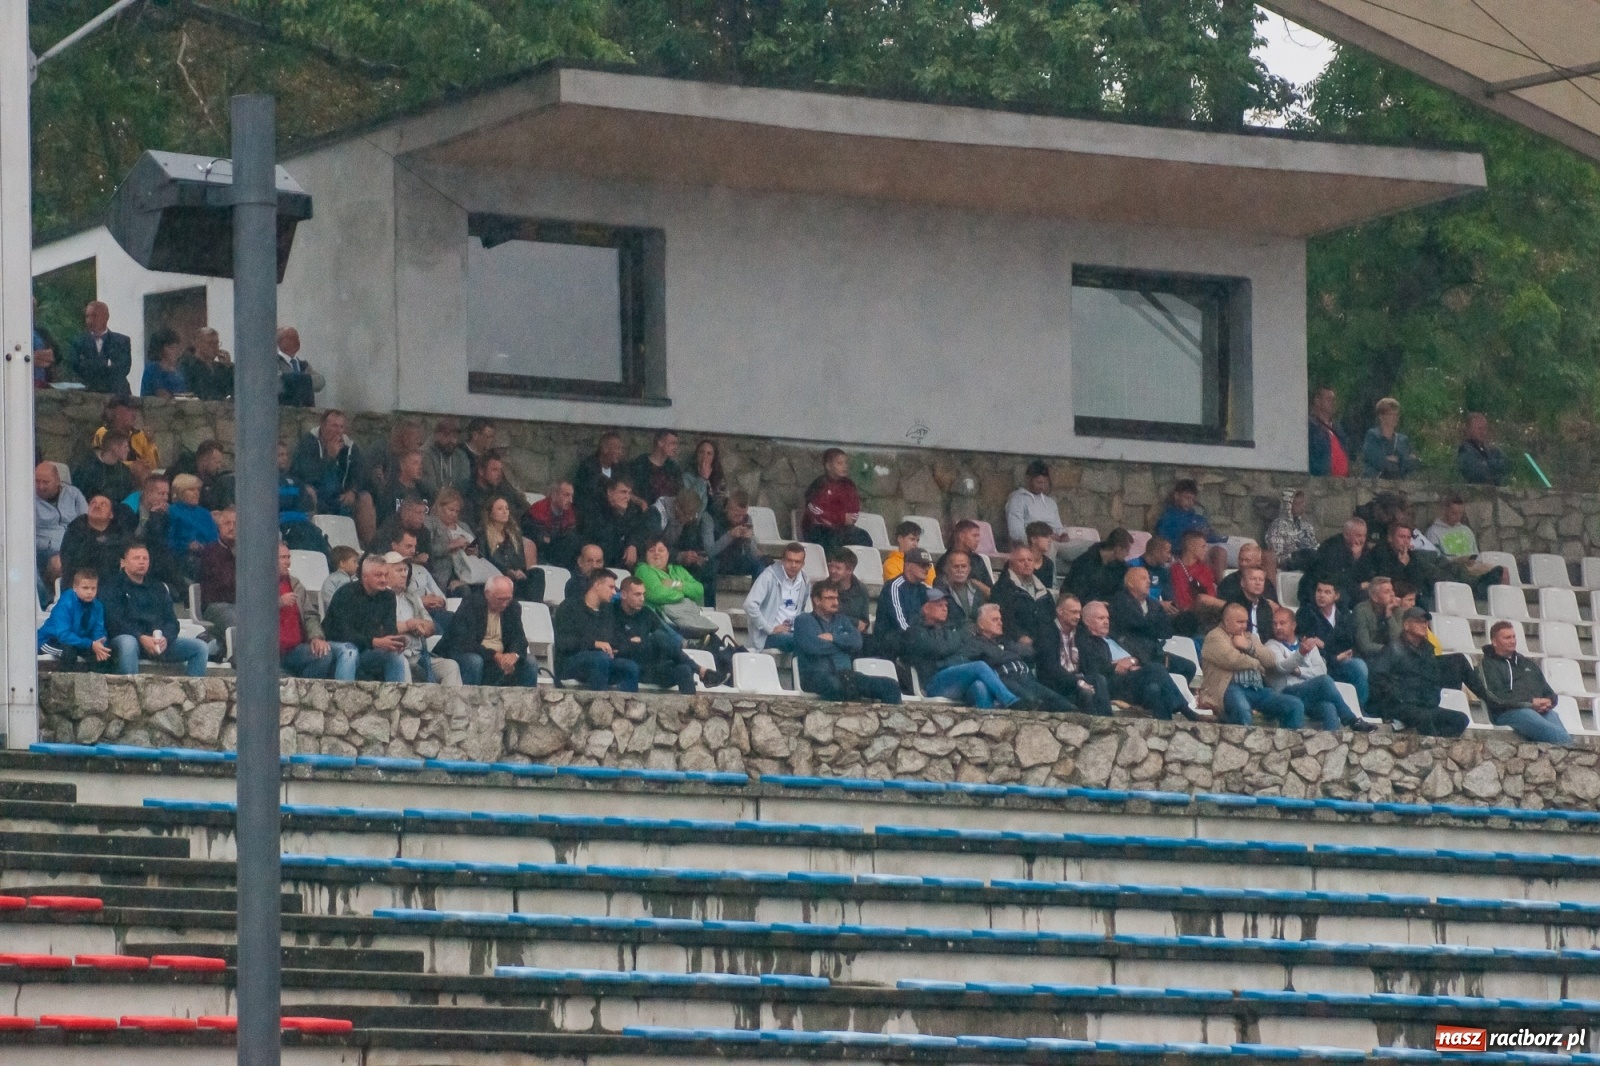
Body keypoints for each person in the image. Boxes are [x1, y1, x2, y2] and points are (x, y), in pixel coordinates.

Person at [101, 542, 209, 677]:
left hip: (158, 642)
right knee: (128, 643)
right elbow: (113, 621)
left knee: (200, 648)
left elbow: (172, 622)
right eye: (136, 558)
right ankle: (130, 694)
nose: (141, 562)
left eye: (145, 558)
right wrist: (140, 637)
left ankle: (193, 694)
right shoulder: (112, 586)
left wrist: (166, 638)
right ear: (123, 562)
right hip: (127, 639)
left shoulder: (158, 588)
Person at [1078, 600, 1191, 720]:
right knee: (1156, 669)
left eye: (1107, 618)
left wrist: (1132, 661)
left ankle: (1165, 730)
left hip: (1132, 679)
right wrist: (1117, 666)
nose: (1106, 622)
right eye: (1100, 618)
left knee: (1154, 689)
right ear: (1087, 621)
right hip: (1113, 684)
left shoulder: (1116, 638)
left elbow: (1139, 656)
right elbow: (1095, 669)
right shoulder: (1085, 641)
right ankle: (1186, 711)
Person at [1369, 607, 1473, 736]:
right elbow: (1378, 677)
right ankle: (1432, 748)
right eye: (1419, 622)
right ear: (1406, 625)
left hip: (1424, 706)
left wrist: (1432, 699)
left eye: (1425, 622)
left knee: (1461, 719)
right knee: (1425, 719)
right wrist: (1398, 697)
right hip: (1399, 706)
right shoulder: (1393, 649)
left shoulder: (1428, 651)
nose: (1424, 625)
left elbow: (1433, 678)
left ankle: (1438, 748)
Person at [1265, 607, 1372, 732]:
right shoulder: (1271, 646)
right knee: (1324, 681)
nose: (1277, 627)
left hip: (1307, 694)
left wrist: (1298, 671)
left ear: (1293, 625)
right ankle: (1352, 720)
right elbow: (1282, 667)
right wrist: (1300, 654)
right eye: (1275, 624)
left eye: (1282, 623)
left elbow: (1321, 670)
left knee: (1329, 708)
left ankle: (1331, 748)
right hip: (1285, 693)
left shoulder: (1307, 644)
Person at [1199, 603, 1305, 728]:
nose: (1244, 626)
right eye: (1239, 622)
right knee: (1243, 710)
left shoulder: (1250, 637)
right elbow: (1233, 660)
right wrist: (1256, 664)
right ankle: (1243, 746)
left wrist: (1249, 647)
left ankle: (1290, 746)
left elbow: (1271, 660)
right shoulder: (1215, 637)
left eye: (1245, 622)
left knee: (1294, 705)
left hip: (1256, 689)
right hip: (1229, 688)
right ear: (1227, 621)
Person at [794, 582, 902, 704]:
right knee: (835, 685)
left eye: (836, 598)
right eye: (829, 598)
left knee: (890, 686)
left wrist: (834, 638)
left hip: (847, 676)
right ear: (816, 600)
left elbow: (857, 642)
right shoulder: (804, 620)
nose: (835, 602)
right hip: (817, 676)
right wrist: (844, 645)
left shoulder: (842, 620)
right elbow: (813, 647)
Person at [904, 594, 1019, 709]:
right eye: (939, 605)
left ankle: (988, 721)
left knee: (980, 686)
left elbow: (952, 648)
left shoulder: (950, 629)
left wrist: (955, 642)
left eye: (946, 605)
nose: (945, 608)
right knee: (979, 666)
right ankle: (1011, 701)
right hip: (932, 681)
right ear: (926, 608)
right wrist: (957, 640)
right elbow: (941, 649)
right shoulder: (916, 631)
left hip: (956, 679)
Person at [1476, 620, 1571, 744]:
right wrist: (1530, 703)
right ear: (1494, 642)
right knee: (1556, 735)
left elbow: (1546, 690)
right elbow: (1496, 697)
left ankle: (1570, 752)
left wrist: (1549, 701)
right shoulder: (1488, 665)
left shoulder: (1526, 663)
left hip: (1536, 710)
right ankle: (1574, 749)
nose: (1513, 641)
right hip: (1506, 713)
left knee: (1552, 715)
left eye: (1514, 636)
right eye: (1507, 638)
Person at [613, 576, 713, 694]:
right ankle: (700, 670)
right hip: (629, 665)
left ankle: (692, 710)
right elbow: (616, 645)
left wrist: (642, 641)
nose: (642, 599)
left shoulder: (646, 613)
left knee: (684, 670)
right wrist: (643, 641)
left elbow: (666, 641)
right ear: (624, 594)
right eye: (637, 594)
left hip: (651, 667)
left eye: (643, 594)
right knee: (658, 637)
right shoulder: (613, 612)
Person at [322, 554, 410, 682]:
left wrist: (396, 642)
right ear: (364, 577)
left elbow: (390, 629)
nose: (384, 580)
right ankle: (344, 697)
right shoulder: (346, 593)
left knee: (395, 655)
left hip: (367, 649)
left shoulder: (388, 596)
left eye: (386, 575)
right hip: (337, 645)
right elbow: (341, 632)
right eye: (378, 575)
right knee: (349, 652)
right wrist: (375, 642)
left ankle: (395, 699)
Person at [290, 410, 374, 545]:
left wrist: (353, 490)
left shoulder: (349, 446)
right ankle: (317, 543)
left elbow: (362, 473)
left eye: (341, 427)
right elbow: (308, 476)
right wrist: (329, 458)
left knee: (365, 498)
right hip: (317, 495)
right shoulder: (308, 444)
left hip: (341, 497)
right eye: (334, 426)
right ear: (323, 425)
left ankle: (370, 549)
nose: (338, 431)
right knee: (309, 493)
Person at [439, 577, 538, 687]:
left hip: (501, 656)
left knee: (530, 662)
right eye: (500, 599)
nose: (505, 604)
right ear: (487, 594)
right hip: (474, 654)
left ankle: (525, 703)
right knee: (475, 661)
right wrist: (494, 655)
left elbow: (519, 639)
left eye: (508, 599)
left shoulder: (513, 607)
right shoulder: (471, 604)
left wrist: (513, 655)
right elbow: (463, 640)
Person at [277, 543, 357, 681]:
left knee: (323, 653)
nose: (288, 561)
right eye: (283, 557)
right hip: (267, 653)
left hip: (294, 650)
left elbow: (310, 615)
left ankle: (305, 693)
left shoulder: (295, 584)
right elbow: (250, 611)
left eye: (288, 557)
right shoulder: (258, 584)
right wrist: (278, 602)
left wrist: (316, 637)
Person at [970, 602, 1070, 711]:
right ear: (981, 624)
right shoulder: (975, 643)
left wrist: (1012, 655)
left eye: (1000, 619)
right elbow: (994, 658)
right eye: (994, 620)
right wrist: (1014, 656)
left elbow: (1029, 653)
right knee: (1033, 702)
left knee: (1063, 704)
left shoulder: (1006, 641)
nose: (1000, 623)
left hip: (1026, 678)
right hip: (1005, 679)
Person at [552, 570, 638, 691]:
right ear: (597, 585)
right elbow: (564, 642)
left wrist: (624, 644)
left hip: (604, 661)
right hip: (571, 662)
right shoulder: (569, 607)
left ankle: (631, 708)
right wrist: (594, 644)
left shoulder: (608, 610)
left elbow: (614, 637)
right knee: (599, 659)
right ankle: (599, 706)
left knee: (630, 667)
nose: (614, 592)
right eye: (611, 587)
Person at [1109, 566, 1193, 685]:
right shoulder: (1120, 601)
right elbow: (1137, 623)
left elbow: (1166, 632)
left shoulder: (1154, 605)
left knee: (1189, 667)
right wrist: (1152, 625)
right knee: (1156, 676)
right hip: (1134, 654)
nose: (1148, 581)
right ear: (1131, 583)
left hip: (1155, 653)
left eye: (1148, 578)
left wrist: (1149, 625)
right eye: (1143, 578)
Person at [1296, 577, 1369, 707]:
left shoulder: (1344, 614)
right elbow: (1311, 646)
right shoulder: (1305, 613)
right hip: (1319, 664)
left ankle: (1359, 708)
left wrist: (1325, 644)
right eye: (1319, 591)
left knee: (1359, 666)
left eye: (1327, 592)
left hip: (1340, 661)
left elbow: (1348, 641)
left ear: (1336, 595)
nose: (1321, 595)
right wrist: (1335, 656)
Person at [1035, 594, 1112, 715]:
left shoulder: (1081, 633)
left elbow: (1089, 663)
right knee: (1085, 692)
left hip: (1078, 678)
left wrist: (1085, 681)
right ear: (1060, 611)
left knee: (1098, 679)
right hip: (1057, 683)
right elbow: (1050, 667)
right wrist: (1078, 682)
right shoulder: (1046, 632)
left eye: (1079, 613)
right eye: (1073, 612)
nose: (1077, 617)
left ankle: (1108, 722)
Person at [387, 554, 456, 684]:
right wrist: (409, 625)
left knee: (450, 667)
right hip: (395, 654)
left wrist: (421, 626)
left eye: (405, 570)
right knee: (402, 663)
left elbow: (431, 627)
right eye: (399, 570)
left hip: (418, 656)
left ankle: (448, 705)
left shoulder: (412, 597)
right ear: (386, 573)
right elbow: (381, 626)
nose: (404, 574)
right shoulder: (380, 597)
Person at [37, 568, 111, 671]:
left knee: (102, 654)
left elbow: (98, 631)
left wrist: (99, 644)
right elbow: (63, 635)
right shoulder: (65, 604)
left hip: (78, 640)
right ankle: (64, 685)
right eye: (85, 588)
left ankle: (93, 685)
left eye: (93, 588)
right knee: (69, 653)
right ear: (75, 587)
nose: (90, 592)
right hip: (50, 640)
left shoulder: (97, 606)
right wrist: (90, 644)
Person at [802, 448, 872, 552]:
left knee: (863, 537)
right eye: (839, 463)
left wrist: (837, 520)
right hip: (818, 529)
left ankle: (855, 567)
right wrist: (841, 518)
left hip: (842, 529)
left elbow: (854, 513)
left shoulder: (849, 485)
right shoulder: (820, 484)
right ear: (828, 466)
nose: (844, 466)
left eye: (845, 463)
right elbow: (815, 510)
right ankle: (832, 567)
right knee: (831, 539)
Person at [744, 543, 809, 652]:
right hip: (769, 636)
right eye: (789, 560)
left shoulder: (804, 580)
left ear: (803, 564)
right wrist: (769, 629)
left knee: (813, 640)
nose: (793, 565)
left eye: (797, 562)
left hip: (793, 632)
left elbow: (802, 608)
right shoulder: (769, 576)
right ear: (783, 560)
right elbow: (749, 604)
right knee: (803, 641)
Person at [651, 488, 714, 601]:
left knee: (708, 569)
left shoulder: (689, 519)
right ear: (677, 507)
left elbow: (692, 542)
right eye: (686, 514)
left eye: (692, 515)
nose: (689, 518)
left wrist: (696, 555)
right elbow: (653, 545)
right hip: (657, 559)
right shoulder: (658, 513)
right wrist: (680, 556)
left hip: (678, 562)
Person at [1153, 480, 1227, 575]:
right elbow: (1163, 541)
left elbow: (1210, 535)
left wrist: (1220, 538)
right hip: (1181, 552)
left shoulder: (1197, 518)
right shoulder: (1167, 518)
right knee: (1202, 552)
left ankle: (1220, 586)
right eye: (1187, 498)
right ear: (1177, 496)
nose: (1190, 502)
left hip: (1202, 546)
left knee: (1220, 552)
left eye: (1193, 500)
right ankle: (1205, 584)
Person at [1362, 520, 1440, 609]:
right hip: (1391, 598)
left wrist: (1408, 565)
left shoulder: (1412, 556)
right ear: (1390, 538)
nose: (1406, 541)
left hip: (1414, 598)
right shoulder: (1379, 553)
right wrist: (1401, 565)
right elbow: (1386, 580)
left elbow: (1419, 582)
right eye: (1402, 537)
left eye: (1408, 537)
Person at [872, 548, 932, 661]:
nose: (926, 569)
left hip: (913, 639)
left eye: (928, 565)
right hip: (890, 643)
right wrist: (922, 637)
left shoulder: (923, 588)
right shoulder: (894, 587)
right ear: (908, 565)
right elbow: (900, 623)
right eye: (922, 565)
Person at [988, 545, 1054, 646]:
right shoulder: (1002, 588)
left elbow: (1051, 615)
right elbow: (1003, 618)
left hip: (1043, 638)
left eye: (1030, 560)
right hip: (1014, 640)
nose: (1026, 564)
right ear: (1012, 565)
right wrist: (1019, 636)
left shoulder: (1043, 590)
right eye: (1021, 561)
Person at [59, 494, 132, 585]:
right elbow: (73, 564)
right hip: (82, 586)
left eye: (103, 504)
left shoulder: (120, 534)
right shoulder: (75, 531)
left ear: (111, 514)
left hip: (114, 587)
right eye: (93, 503)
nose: (97, 506)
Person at [481, 497, 543, 602]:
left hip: (516, 575)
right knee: (508, 581)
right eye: (500, 509)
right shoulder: (483, 536)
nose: (505, 512)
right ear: (491, 514)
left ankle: (534, 606)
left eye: (507, 508)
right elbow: (486, 561)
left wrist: (519, 570)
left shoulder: (514, 535)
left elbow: (520, 559)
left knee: (537, 573)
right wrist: (507, 571)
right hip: (498, 576)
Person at [35, 461, 87, 585]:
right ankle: (55, 600)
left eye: (46, 482)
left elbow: (86, 520)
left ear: (57, 481)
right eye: (37, 481)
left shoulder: (73, 494)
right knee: (59, 564)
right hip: (45, 551)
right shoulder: (28, 498)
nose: (41, 486)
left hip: (75, 547)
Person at [581, 477, 649, 570]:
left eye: (629, 493)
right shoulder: (595, 508)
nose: (627, 497)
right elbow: (604, 537)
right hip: (597, 559)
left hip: (618, 561)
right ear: (610, 492)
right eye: (623, 492)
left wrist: (632, 544)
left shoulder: (630, 509)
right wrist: (619, 515)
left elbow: (638, 530)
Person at [636, 535, 708, 621]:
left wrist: (675, 584)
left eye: (661, 550)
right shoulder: (643, 570)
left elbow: (699, 590)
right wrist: (684, 596)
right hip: (658, 620)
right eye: (651, 551)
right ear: (645, 555)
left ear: (668, 554)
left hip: (685, 618)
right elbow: (658, 594)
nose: (656, 553)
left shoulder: (678, 569)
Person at [708, 492, 768, 594]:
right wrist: (730, 535)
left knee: (761, 565)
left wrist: (749, 540)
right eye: (736, 515)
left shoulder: (747, 519)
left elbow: (754, 552)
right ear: (728, 508)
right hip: (718, 560)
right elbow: (710, 551)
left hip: (738, 559)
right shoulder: (713, 519)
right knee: (710, 568)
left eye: (742, 515)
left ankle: (756, 600)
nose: (740, 519)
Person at [1004, 460, 1068, 556]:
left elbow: (1058, 527)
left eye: (1045, 483)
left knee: (1087, 548)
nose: (1042, 486)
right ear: (1028, 479)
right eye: (1038, 482)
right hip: (1034, 543)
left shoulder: (1050, 503)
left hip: (1056, 541)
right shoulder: (1017, 500)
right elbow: (1015, 533)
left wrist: (1063, 535)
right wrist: (1044, 537)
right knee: (1047, 547)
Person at [1169, 530, 1226, 637]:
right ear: (1191, 547)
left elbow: (1211, 597)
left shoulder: (1205, 570)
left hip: (1207, 613)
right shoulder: (1174, 569)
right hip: (1184, 615)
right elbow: (1179, 599)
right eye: (1203, 546)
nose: (1206, 550)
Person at [67, 301, 131, 395]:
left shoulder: (121, 341)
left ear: (106, 317)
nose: (90, 320)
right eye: (87, 316)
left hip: (116, 394)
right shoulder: (78, 342)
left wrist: (93, 366)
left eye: (94, 316)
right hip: (87, 394)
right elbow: (75, 368)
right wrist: (106, 365)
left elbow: (123, 369)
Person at [1309, 517, 1371, 609]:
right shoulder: (1331, 548)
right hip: (1328, 589)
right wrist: (1354, 559)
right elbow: (1336, 578)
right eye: (1358, 535)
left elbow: (1368, 573)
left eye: (1364, 536)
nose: (1362, 539)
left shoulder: (1363, 548)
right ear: (1346, 535)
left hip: (1353, 589)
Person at [92, 396, 160, 474]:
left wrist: (150, 442)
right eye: (129, 410)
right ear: (117, 412)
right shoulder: (103, 433)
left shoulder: (139, 435)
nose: (134, 415)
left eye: (135, 410)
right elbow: (101, 461)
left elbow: (153, 466)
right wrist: (134, 465)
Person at [573, 433, 629, 526]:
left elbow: (626, 486)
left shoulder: (620, 468)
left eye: (621, 449)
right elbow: (593, 493)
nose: (620, 452)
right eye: (617, 448)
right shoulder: (588, 466)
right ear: (605, 448)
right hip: (593, 516)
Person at [197, 507, 239, 632]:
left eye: (235, 524)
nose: (231, 528)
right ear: (219, 527)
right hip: (216, 605)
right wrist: (234, 555)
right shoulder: (210, 551)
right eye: (227, 523)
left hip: (241, 605)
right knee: (236, 621)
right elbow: (226, 582)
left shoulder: (246, 551)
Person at [425, 489, 476, 592]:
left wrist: (473, 550)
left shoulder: (463, 526)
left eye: (457, 511)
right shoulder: (430, 523)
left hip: (468, 571)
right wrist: (451, 546)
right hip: (443, 575)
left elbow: (477, 547)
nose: (454, 514)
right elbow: (428, 551)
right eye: (450, 510)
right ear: (440, 507)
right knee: (464, 590)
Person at [522, 481, 580, 571]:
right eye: (566, 495)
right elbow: (532, 535)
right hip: (539, 550)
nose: (571, 500)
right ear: (554, 495)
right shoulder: (538, 510)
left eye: (571, 496)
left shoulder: (570, 513)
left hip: (555, 550)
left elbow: (569, 537)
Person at [167, 474, 219, 572]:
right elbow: (170, 540)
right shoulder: (172, 512)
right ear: (180, 492)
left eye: (198, 490)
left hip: (208, 556)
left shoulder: (205, 513)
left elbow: (214, 538)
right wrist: (187, 546)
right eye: (191, 490)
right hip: (183, 558)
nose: (196, 493)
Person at [1065, 528, 1132, 603]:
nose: (1128, 554)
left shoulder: (1122, 568)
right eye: (1127, 550)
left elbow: (1120, 592)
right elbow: (1076, 589)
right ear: (1118, 549)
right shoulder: (1086, 561)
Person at [167, 440, 235, 512]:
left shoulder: (212, 477)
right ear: (205, 459)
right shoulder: (181, 474)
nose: (219, 466)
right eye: (217, 462)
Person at [73, 432, 137, 507]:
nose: (128, 450)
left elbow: (127, 497)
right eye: (125, 447)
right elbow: (79, 496)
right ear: (114, 447)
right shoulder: (87, 468)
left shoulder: (124, 471)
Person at [1362, 397, 1419, 480]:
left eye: (1397, 414)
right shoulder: (1373, 436)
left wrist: (1397, 460)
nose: (1395, 418)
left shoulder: (1403, 440)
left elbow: (1410, 465)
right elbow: (1378, 461)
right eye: (1391, 415)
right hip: (1374, 485)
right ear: (1381, 416)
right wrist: (1399, 462)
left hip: (1399, 485)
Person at [1264, 489, 1320, 573]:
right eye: (1297, 503)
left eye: (1302, 502)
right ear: (1288, 505)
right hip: (1289, 564)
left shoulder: (1307, 526)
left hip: (1310, 562)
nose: (1302, 506)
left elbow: (1315, 546)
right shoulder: (1278, 526)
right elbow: (1276, 556)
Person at [463, 451, 522, 527]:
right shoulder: (468, 494)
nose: (499, 474)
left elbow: (522, 508)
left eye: (500, 470)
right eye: (494, 470)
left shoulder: (504, 489)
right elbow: (471, 525)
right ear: (481, 471)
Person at [629, 429, 684, 509]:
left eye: (676, 444)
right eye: (672, 443)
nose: (676, 447)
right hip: (644, 513)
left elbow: (681, 493)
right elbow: (626, 490)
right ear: (660, 442)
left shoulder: (673, 468)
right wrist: (639, 502)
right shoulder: (640, 464)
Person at [422, 416, 473, 497]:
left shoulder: (461, 456)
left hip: (456, 503)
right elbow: (429, 486)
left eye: (454, 436)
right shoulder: (426, 454)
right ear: (436, 434)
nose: (451, 440)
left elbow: (464, 484)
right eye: (447, 435)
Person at [1352, 576, 1402, 660]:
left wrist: (1389, 616)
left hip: (1392, 656)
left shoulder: (1397, 610)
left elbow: (1399, 640)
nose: (1392, 594)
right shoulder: (1361, 610)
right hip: (1367, 657)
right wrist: (1389, 649)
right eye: (1387, 592)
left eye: (1392, 590)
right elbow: (1364, 646)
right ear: (1375, 597)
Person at [1307, 386, 1352, 478]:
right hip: (1321, 480)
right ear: (1317, 401)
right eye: (1329, 399)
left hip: (1342, 482)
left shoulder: (1337, 428)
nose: (1333, 403)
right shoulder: (1310, 426)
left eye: (1334, 400)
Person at [178, 327, 233, 401]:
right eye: (210, 343)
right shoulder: (187, 364)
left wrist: (229, 366)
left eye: (216, 343)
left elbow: (233, 389)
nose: (214, 347)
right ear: (197, 344)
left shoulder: (220, 367)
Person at [1457, 412, 1511, 486]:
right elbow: (1477, 473)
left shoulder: (1492, 450)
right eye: (1479, 429)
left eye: (1484, 428)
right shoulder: (1464, 450)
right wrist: (1492, 466)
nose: (1483, 432)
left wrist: (1487, 463)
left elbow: (1506, 465)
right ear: (1469, 430)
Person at [277, 326, 325, 407]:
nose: (297, 341)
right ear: (281, 342)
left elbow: (320, 382)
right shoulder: (275, 362)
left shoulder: (303, 365)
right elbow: (278, 383)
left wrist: (293, 379)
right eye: (292, 338)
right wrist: (305, 380)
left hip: (306, 412)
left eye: (297, 337)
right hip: (285, 413)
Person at [1223, 566, 1276, 641]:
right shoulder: (1233, 604)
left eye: (1261, 580)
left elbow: (1268, 635)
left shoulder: (1266, 606)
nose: (1258, 583)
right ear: (1243, 583)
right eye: (1253, 579)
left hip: (1263, 647)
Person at [826, 548, 871, 632]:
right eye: (831, 566)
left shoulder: (862, 590)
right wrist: (854, 622)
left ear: (849, 570)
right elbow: (826, 617)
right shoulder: (824, 588)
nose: (832, 571)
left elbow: (865, 622)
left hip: (854, 636)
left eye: (837, 568)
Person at [936, 549, 986, 625]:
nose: (960, 570)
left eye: (964, 566)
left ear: (969, 569)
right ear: (946, 569)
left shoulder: (977, 592)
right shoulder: (940, 592)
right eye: (956, 566)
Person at [939, 521, 992, 592]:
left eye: (978, 536)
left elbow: (991, 590)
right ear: (962, 536)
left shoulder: (978, 560)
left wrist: (978, 585)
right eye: (974, 535)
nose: (978, 540)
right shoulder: (945, 560)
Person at [882, 520, 936, 585]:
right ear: (900, 538)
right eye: (912, 539)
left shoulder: (922, 560)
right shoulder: (890, 563)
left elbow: (932, 584)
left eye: (917, 540)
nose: (915, 544)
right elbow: (897, 587)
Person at [1131, 534, 1178, 606]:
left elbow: (1169, 596)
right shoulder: (1132, 567)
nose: (1169, 557)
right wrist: (1158, 604)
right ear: (1156, 552)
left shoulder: (1164, 572)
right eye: (1167, 552)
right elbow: (1132, 596)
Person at [140, 328, 188, 398]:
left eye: (176, 347)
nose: (176, 351)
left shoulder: (178, 371)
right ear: (160, 349)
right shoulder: (153, 368)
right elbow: (161, 395)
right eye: (171, 348)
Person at [684, 439, 727, 512]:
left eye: (709, 453)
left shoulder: (719, 477)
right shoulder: (687, 477)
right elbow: (689, 502)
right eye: (701, 452)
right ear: (697, 455)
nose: (705, 456)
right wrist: (702, 479)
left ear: (713, 458)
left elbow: (722, 504)